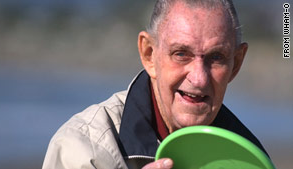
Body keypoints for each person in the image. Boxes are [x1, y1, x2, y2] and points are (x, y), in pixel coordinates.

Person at [43, 0, 269, 168]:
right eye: (181, 54)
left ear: (236, 63)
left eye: (216, 57)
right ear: (149, 54)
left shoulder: (248, 157)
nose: (199, 78)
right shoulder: (85, 148)